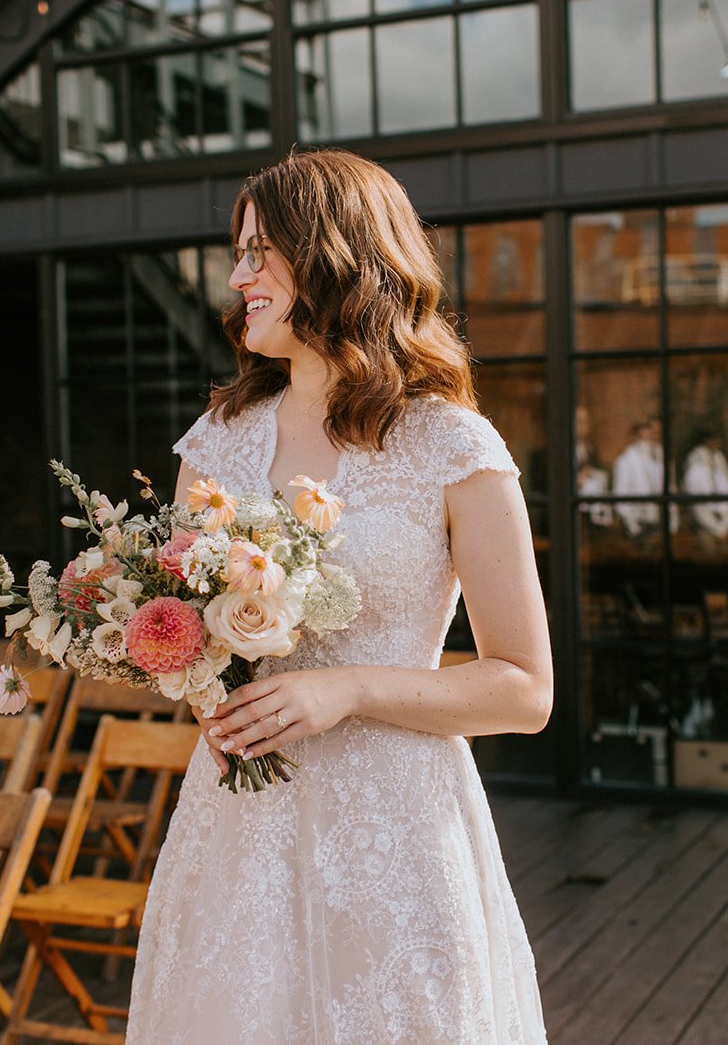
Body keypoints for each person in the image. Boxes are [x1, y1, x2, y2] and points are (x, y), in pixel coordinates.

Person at [128, 149, 552, 1042]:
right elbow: (190, 638)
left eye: (258, 254)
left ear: (331, 257)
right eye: (237, 254)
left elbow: (524, 687)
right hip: (239, 822)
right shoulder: (217, 442)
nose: (238, 276)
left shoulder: (450, 443)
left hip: (398, 832)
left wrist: (347, 686)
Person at [612, 416, 675, 538]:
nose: (654, 433)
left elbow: (671, 488)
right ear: (639, 431)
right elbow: (620, 495)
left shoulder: (663, 457)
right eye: (649, 428)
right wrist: (633, 526)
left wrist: (672, 523)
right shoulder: (626, 459)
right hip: (639, 524)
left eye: (656, 430)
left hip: (661, 523)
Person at [680, 426, 728, 538]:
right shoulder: (695, 458)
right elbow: (694, 482)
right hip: (703, 502)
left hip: (719, 502)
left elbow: (725, 478)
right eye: (714, 439)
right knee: (706, 533)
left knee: (722, 533)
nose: (717, 442)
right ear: (706, 441)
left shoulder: (719, 456)